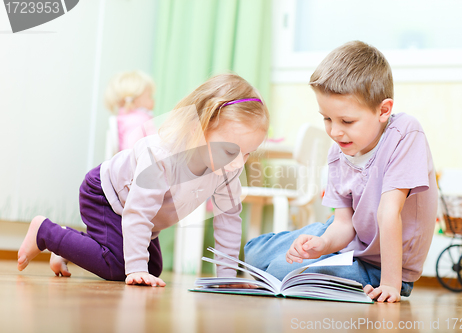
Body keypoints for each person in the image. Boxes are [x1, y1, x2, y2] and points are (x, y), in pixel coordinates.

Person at [17, 73, 270, 287]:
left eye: (248, 153)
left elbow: (228, 222)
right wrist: (134, 268)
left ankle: (70, 243)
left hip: (137, 211)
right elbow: (138, 212)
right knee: (119, 267)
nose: (239, 162)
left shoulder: (229, 168)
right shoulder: (162, 156)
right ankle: (46, 232)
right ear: (198, 129)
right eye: (230, 151)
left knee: (153, 268)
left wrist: (225, 279)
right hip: (106, 194)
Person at [244, 41, 438, 303]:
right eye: (327, 118)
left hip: (380, 268)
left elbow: (389, 212)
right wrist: (323, 245)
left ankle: (314, 267)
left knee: (281, 270)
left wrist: (390, 284)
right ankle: (320, 255)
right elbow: (344, 223)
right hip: (348, 243)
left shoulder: (405, 133)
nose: (334, 132)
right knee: (253, 252)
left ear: (383, 110)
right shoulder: (338, 151)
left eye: (347, 121)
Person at [104, 70, 156, 151]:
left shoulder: (126, 118)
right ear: (137, 101)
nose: (153, 100)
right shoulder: (138, 121)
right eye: (149, 96)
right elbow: (131, 151)